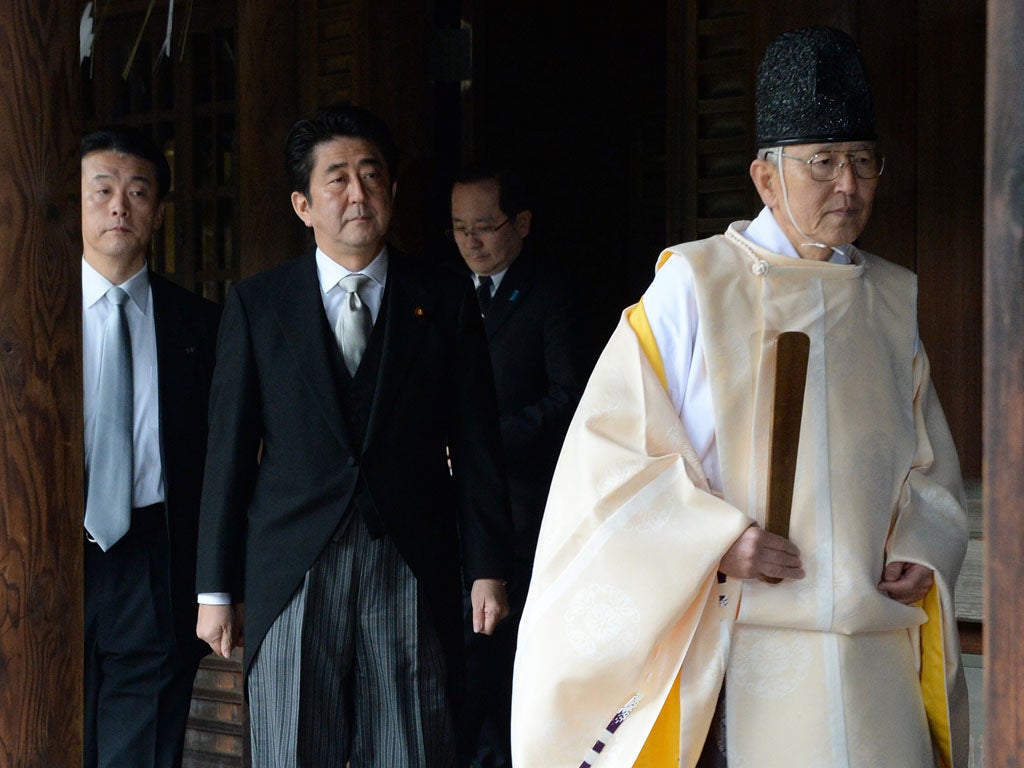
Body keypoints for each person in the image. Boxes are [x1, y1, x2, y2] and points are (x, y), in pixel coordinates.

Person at [510, 26, 970, 768]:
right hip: (740, 635)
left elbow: (929, 461)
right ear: (765, 177)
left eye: (862, 162)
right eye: (822, 162)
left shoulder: (889, 299)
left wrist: (924, 545)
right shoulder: (694, 285)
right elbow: (610, 458)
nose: (848, 186)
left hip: (870, 643)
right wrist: (716, 539)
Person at [194, 103, 513, 767]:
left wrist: (487, 567)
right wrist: (215, 589)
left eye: (371, 176)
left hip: (410, 555)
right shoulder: (259, 305)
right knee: (291, 746)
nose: (357, 194)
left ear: (393, 193)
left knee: (413, 745)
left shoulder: (444, 298)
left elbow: (478, 443)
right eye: (336, 179)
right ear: (303, 204)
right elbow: (226, 452)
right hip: (292, 561)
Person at [81, 127, 220, 767]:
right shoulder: (26, 315)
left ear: (157, 213)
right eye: (102, 190)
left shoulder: (201, 324)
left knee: (142, 750)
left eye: (137, 192)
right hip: (42, 554)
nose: (119, 206)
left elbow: (223, 461)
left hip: (153, 554)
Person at [449, 168, 590, 767]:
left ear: (522, 224)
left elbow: (570, 397)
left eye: (486, 226)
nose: (472, 242)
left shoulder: (552, 295)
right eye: (460, 229)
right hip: (451, 510)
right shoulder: (445, 293)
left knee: (506, 653)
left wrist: (481, 444)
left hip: (524, 504)